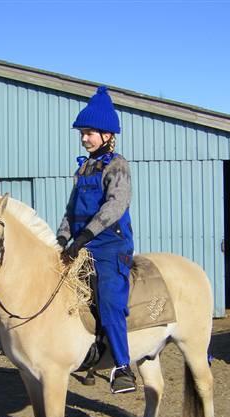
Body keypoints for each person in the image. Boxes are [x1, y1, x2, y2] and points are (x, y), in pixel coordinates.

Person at [56, 86, 136, 394]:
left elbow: (115, 206)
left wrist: (86, 235)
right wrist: (62, 238)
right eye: (83, 133)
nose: (85, 137)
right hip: (83, 243)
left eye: (90, 132)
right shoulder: (84, 167)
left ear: (107, 135)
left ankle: (123, 366)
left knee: (108, 298)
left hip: (112, 246)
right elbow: (72, 209)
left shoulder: (118, 166)